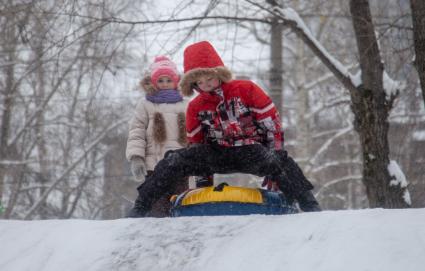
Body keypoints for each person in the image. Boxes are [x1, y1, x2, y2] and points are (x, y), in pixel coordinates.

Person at [130, 41, 321, 217]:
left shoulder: (246, 90)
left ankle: (309, 205)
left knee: (282, 161)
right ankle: (140, 207)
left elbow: (272, 127)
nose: (206, 85)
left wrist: (273, 162)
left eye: (210, 79)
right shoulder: (196, 106)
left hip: (251, 150)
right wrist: (204, 188)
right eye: (200, 83)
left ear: (219, 74)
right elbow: (197, 146)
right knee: (173, 159)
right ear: (193, 84)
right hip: (217, 153)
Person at [126, 56, 188, 217]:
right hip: (154, 165)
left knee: (183, 202)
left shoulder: (186, 104)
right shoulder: (146, 104)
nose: (165, 83)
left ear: (176, 81)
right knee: (158, 206)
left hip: (182, 164)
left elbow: (195, 132)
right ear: (153, 82)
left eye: (169, 79)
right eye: (161, 80)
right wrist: (136, 157)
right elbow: (136, 131)